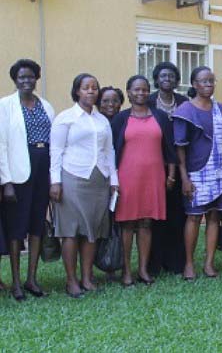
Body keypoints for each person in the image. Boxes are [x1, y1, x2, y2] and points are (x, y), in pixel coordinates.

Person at [50, 73, 118, 298]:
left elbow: (109, 151)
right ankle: (71, 281)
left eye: (94, 88)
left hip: (99, 179)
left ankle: (87, 277)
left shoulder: (102, 120)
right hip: (72, 177)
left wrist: (114, 181)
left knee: (92, 230)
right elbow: (56, 151)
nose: (91, 91)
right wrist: (55, 182)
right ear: (77, 91)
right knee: (71, 230)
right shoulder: (66, 118)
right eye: (86, 87)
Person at [111, 75, 177, 286]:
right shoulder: (120, 119)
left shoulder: (160, 117)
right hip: (127, 177)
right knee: (128, 224)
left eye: (145, 89)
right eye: (136, 90)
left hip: (154, 176)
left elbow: (170, 149)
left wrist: (171, 174)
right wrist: (112, 180)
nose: (141, 93)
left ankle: (143, 270)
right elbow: (110, 151)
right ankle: (127, 271)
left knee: (146, 222)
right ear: (128, 92)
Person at [0, 59, 54, 301]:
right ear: (14, 80)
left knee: (36, 225)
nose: (26, 81)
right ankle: (15, 282)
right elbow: (1, 145)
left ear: (36, 79)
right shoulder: (5, 106)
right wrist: (7, 181)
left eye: (30, 76)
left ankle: (31, 278)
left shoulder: (46, 106)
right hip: (19, 172)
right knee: (16, 228)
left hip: (43, 168)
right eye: (21, 77)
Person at [173, 66, 222, 280]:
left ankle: (209, 263)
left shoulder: (221, 110)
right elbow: (179, 146)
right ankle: (189, 264)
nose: (208, 85)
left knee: (214, 216)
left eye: (211, 81)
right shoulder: (185, 111)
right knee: (194, 217)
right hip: (195, 172)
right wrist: (184, 178)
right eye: (203, 81)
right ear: (194, 85)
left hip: (220, 171)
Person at [147, 62, 188, 275]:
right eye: (162, 76)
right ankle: (154, 262)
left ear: (176, 80)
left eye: (171, 76)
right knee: (155, 215)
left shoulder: (183, 102)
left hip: (179, 162)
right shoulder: (149, 101)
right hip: (154, 162)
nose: (167, 79)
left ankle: (175, 262)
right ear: (156, 79)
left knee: (176, 214)